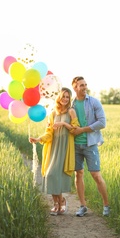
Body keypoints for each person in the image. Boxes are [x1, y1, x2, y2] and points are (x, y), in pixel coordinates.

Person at [29, 87, 79, 216]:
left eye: (68, 97)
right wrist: (38, 139)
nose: (65, 99)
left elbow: (75, 129)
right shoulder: (53, 113)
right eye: (63, 96)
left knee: (56, 176)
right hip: (53, 146)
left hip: (64, 147)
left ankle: (60, 202)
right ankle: (57, 203)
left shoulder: (71, 112)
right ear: (59, 97)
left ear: (69, 99)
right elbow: (49, 132)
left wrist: (63, 125)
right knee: (50, 174)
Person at [71, 76, 110, 217]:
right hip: (75, 145)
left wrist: (82, 130)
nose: (84, 87)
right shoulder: (71, 104)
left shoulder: (94, 102)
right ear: (75, 87)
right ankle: (83, 206)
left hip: (90, 144)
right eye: (81, 85)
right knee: (78, 173)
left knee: (96, 175)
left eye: (85, 84)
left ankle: (106, 206)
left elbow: (102, 123)